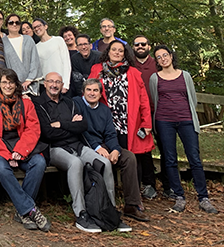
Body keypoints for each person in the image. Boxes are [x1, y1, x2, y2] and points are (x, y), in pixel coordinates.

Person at [32, 72, 126, 233]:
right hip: (55, 149)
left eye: (58, 82)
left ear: (62, 86)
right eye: (51, 82)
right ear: (45, 84)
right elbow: (47, 133)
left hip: (78, 146)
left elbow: (82, 126)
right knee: (75, 163)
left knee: (104, 163)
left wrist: (61, 124)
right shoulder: (38, 104)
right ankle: (81, 213)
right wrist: (70, 125)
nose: (54, 85)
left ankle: (110, 210)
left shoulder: (70, 102)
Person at [149, 45, 218, 214]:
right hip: (164, 121)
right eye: (159, 57)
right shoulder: (154, 78)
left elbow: (192, 98)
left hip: (186, 120)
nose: (163, 58)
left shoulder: (185, 75)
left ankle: (204, 197)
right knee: (170, 158)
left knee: (194, 158)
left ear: (171, 56)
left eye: (165, 55)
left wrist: (187, 115)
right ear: (157, 61)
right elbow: (154, 99)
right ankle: (178, 196)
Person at [0, 68, 51, 232]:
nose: (8, 85)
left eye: (11, 82)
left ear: (16, 84)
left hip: (22, 145)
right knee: (0, 167)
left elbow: (33, 129)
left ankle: (22, 212)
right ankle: (30, 210)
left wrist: (20, 151)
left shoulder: (26, 102)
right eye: (4, 82)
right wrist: (7, 155)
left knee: (39, 162)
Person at [73, 79, 149, 223]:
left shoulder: (104, 109)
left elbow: (110, 133)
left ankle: (131, 205)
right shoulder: (77, 103)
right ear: (83, 91)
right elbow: (81, 130)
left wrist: (115, 149)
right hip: (86, 146)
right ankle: (105, 206)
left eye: (95, 90)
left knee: (129, 157)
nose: (92, 93)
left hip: (104, 145)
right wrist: (97, 148)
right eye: (89, 90)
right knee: (101, 162)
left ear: (101, 93)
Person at [89, 41, 155, 200]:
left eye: (120, 50)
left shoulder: (133, 72)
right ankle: (110, 194)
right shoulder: (97, 70)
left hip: (128, 122)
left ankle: (133, 195)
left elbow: (144, 99)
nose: (117, 53)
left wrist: (146, 123)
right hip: (105, 123)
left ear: (125, 53)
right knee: (107, 156)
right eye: (114, 50)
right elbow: (88, 91)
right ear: (108, 51)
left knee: (131, 157)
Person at [132, 35, 171, 199]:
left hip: (159, 111)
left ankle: (169, 185)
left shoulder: (157, 64)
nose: (140, 46)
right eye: (137, 44)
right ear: (133, 47)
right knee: (144, 149)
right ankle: (149, 183)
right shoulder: (130, 64)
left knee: (166, 148)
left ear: (149, 46)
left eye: (143, 44)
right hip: (139, 114)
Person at [2, 13, 42, 96]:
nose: (14, 24)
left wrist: (30, 79)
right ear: (6, 25)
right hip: (12, 86)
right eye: (11, 22)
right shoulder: (2, 42)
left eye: (17, 22)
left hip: (30, 84)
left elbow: (34, 59)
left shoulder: (28, 39)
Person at [33, 19, 71, 94]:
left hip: (60, 84)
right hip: (45, 86)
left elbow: (66, 62)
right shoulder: (36, 47)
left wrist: (66, 84)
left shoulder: (58, 40)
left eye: (39, 26)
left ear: (45, 26)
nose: (37, 29)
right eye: (34, 28)